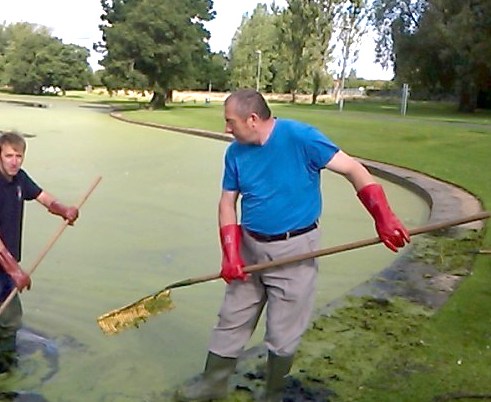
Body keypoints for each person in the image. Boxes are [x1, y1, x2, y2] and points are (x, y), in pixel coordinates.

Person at [175, 89, 410, 402]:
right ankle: (212, 385)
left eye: (231, 122)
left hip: (295, 249)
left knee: (284, 331)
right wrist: (230, 253)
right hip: (249, 246)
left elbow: (354, 170)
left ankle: (272, 393)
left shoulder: (302, 138)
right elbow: (227, 203)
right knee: (231, 318)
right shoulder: (235, 153)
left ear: (253, 119)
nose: (227, 129)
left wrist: (383, 216)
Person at [0, 131, 79, 375]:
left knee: (8, 325)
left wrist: (64, 210)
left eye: (18, 156)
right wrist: (16, 271)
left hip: (7, 270)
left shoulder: (20, 179)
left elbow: (42, 197)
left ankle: (4, 370)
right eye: (8, 155)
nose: (14, 161)